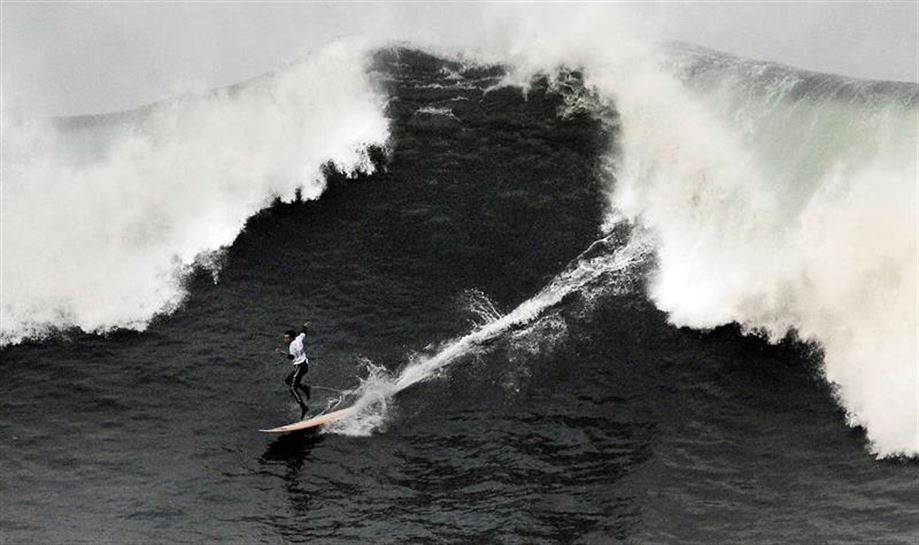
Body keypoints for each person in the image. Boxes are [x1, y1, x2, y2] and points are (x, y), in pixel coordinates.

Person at [280, 324, 312, 419]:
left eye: (286, 338)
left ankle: (304, 407)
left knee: (292, 388)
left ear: (291, 338)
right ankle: (305, 388)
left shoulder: (292, 345)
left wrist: (282, 353)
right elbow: (303, 332)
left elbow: (292, 357)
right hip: (305, 365)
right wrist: (305, 326)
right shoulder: (298, 338)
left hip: (300, 366)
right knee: (288, 381)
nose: (285, 340)